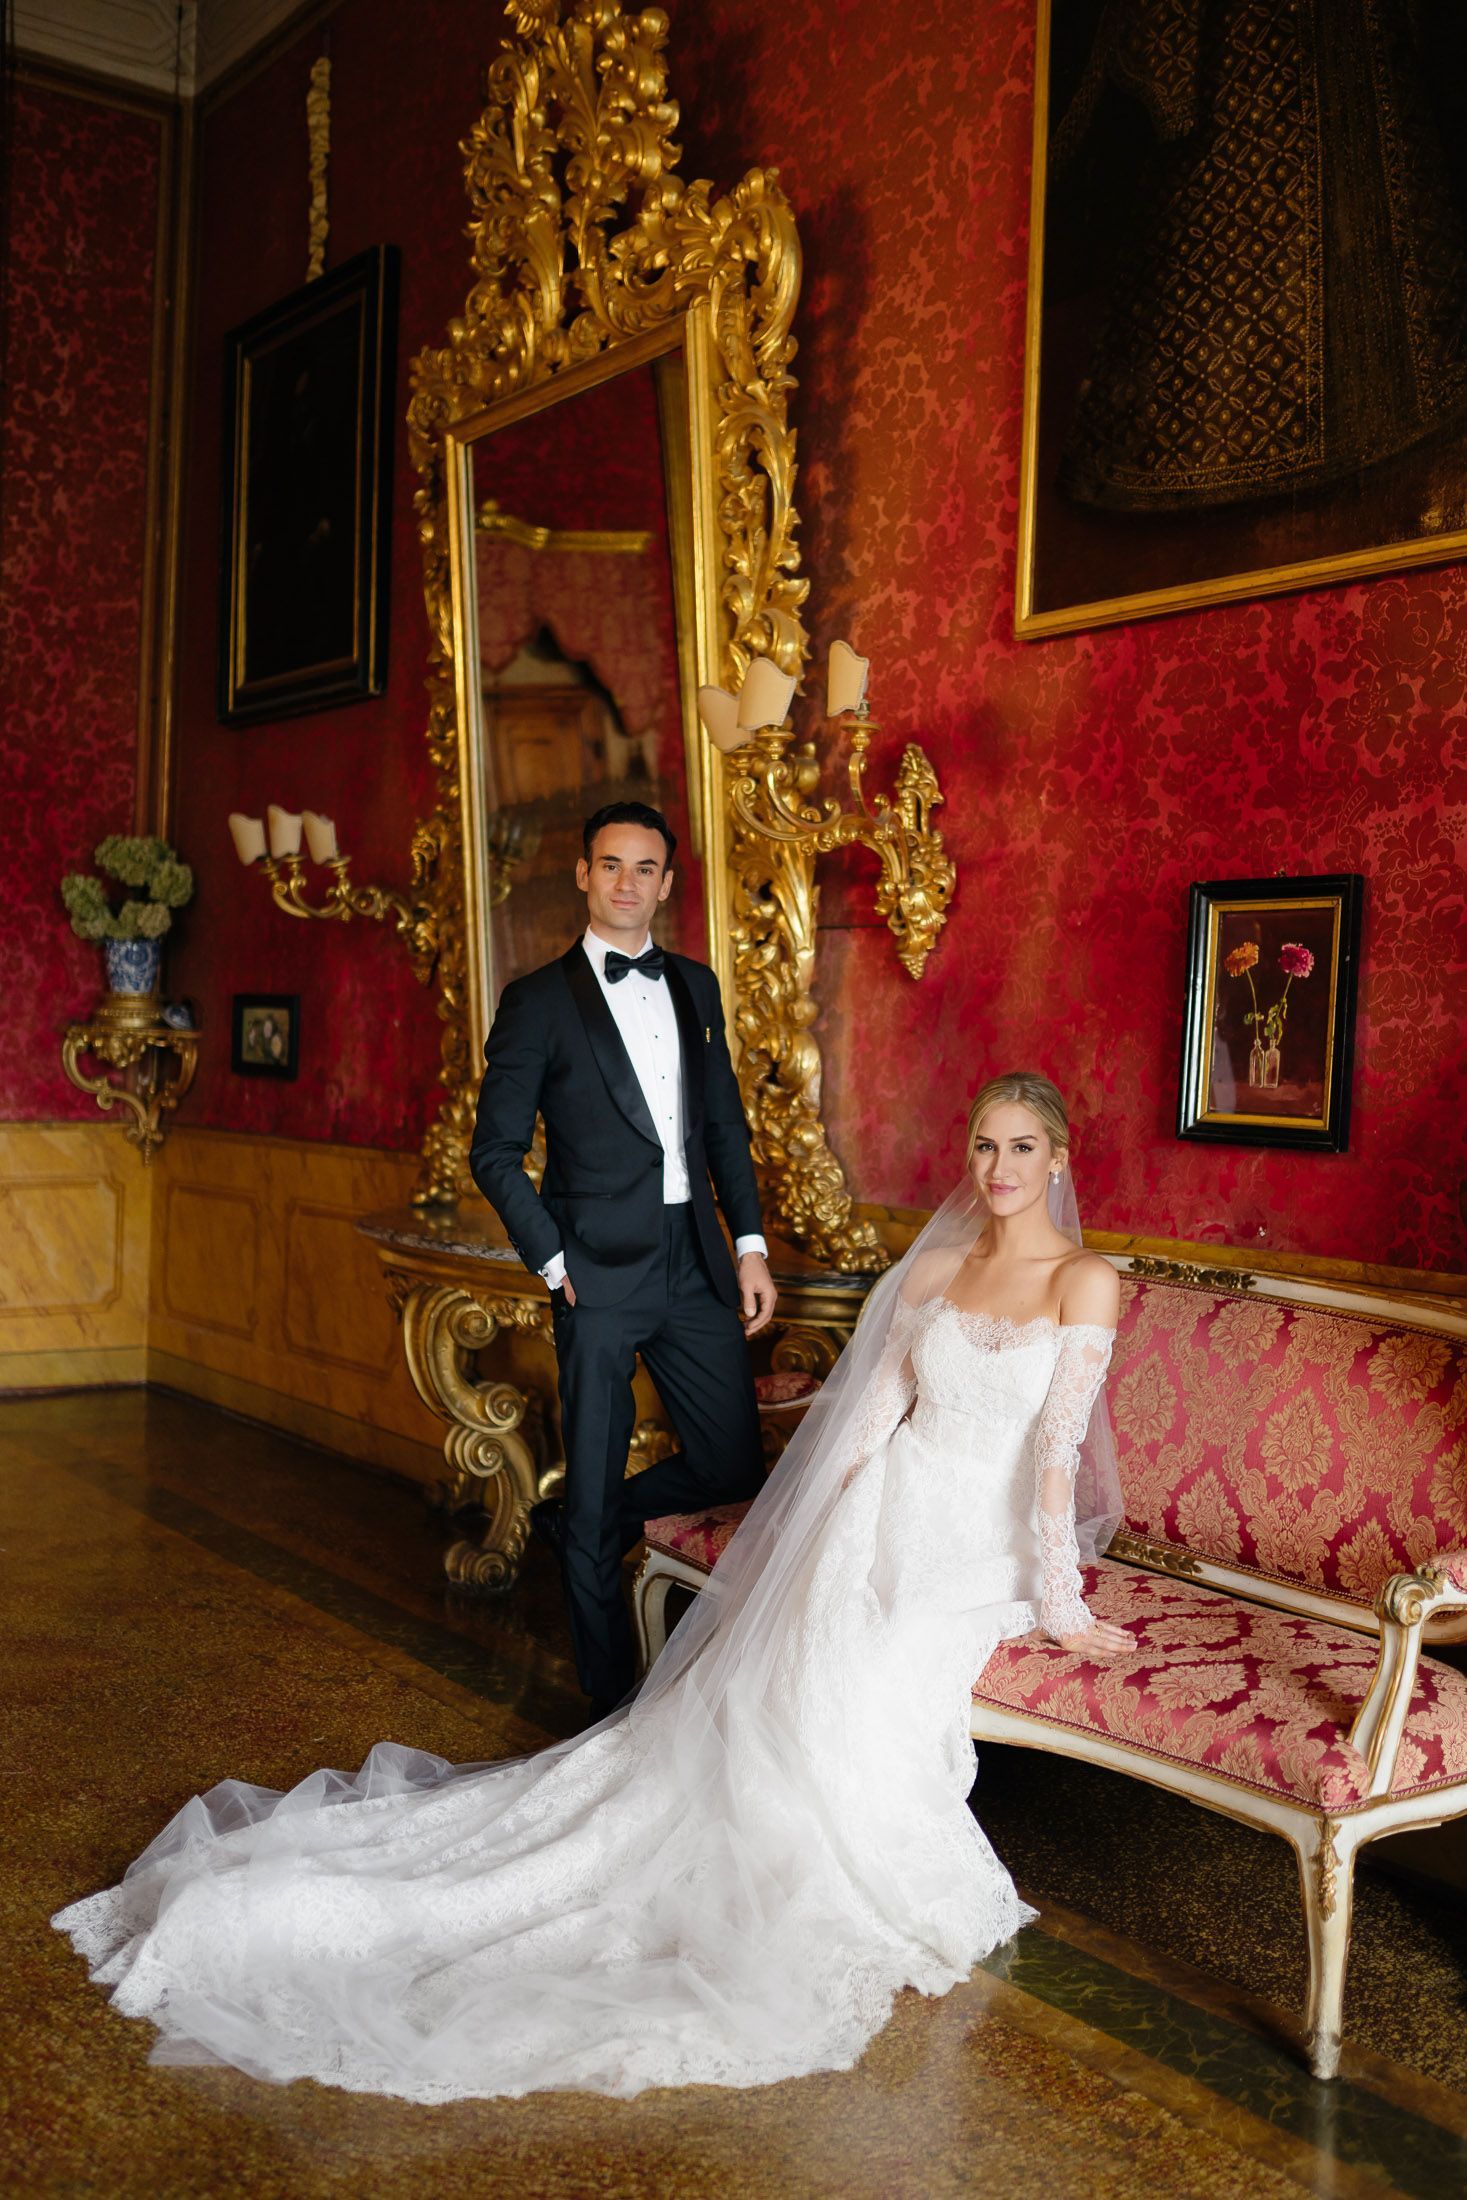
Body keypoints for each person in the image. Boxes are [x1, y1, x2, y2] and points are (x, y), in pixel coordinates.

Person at [52, 1070, 1127, 2103]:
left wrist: (1062, 1604)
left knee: (871, 1678)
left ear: (1059, 1160)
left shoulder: (1087, 1280)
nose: (997, 1167)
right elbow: (872, 1423)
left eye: (1021, 1148)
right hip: (886, 1506)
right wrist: (799, 1538)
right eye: (984, 1145)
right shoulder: (935, 1273)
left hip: (983, 1543)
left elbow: (1055, 1453)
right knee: (794, 1660)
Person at [468, 799, 778, 1720]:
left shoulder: (695, 984)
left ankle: (575, 1526)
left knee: (730, 1466)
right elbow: (494, 1151)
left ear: (666, 883)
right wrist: (554, 1260)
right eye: (610, 865)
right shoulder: (535, 1001)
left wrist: (750, 1245)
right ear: (582, 874)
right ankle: (607, 1701)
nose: (627, 883)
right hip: (593, 1273)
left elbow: (724, 1126)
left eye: (645, 869)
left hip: (694, 1263)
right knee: (597, 1474)